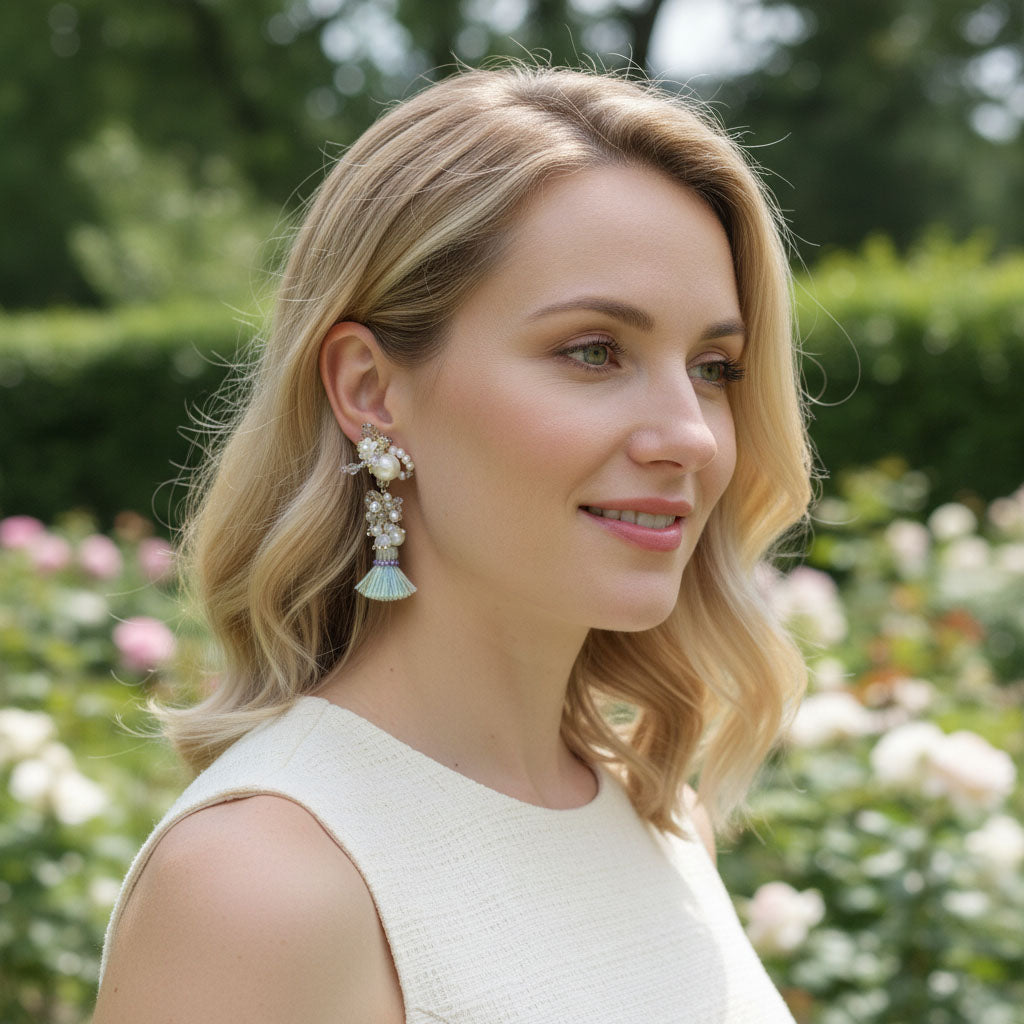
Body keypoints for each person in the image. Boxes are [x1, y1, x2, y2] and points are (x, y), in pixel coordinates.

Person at [93, 62, 812, 1023]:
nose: (691, 434)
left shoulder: (658, 819)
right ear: (369, 390)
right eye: (593, 351)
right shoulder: (259, 888)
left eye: (715, 367)